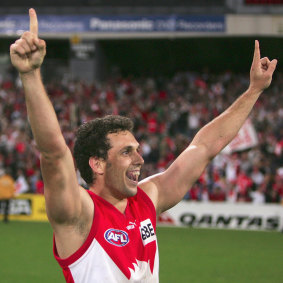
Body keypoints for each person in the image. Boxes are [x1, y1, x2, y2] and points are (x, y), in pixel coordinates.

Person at [10, 8, 277, 283]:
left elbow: (205, 147)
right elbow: (54, 153)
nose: (139, 159)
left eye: (136, 148)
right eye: (127, 151)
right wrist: (30, 76)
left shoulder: (147, 199)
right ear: (97, 163)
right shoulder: (80, 214)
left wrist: (254, 90)